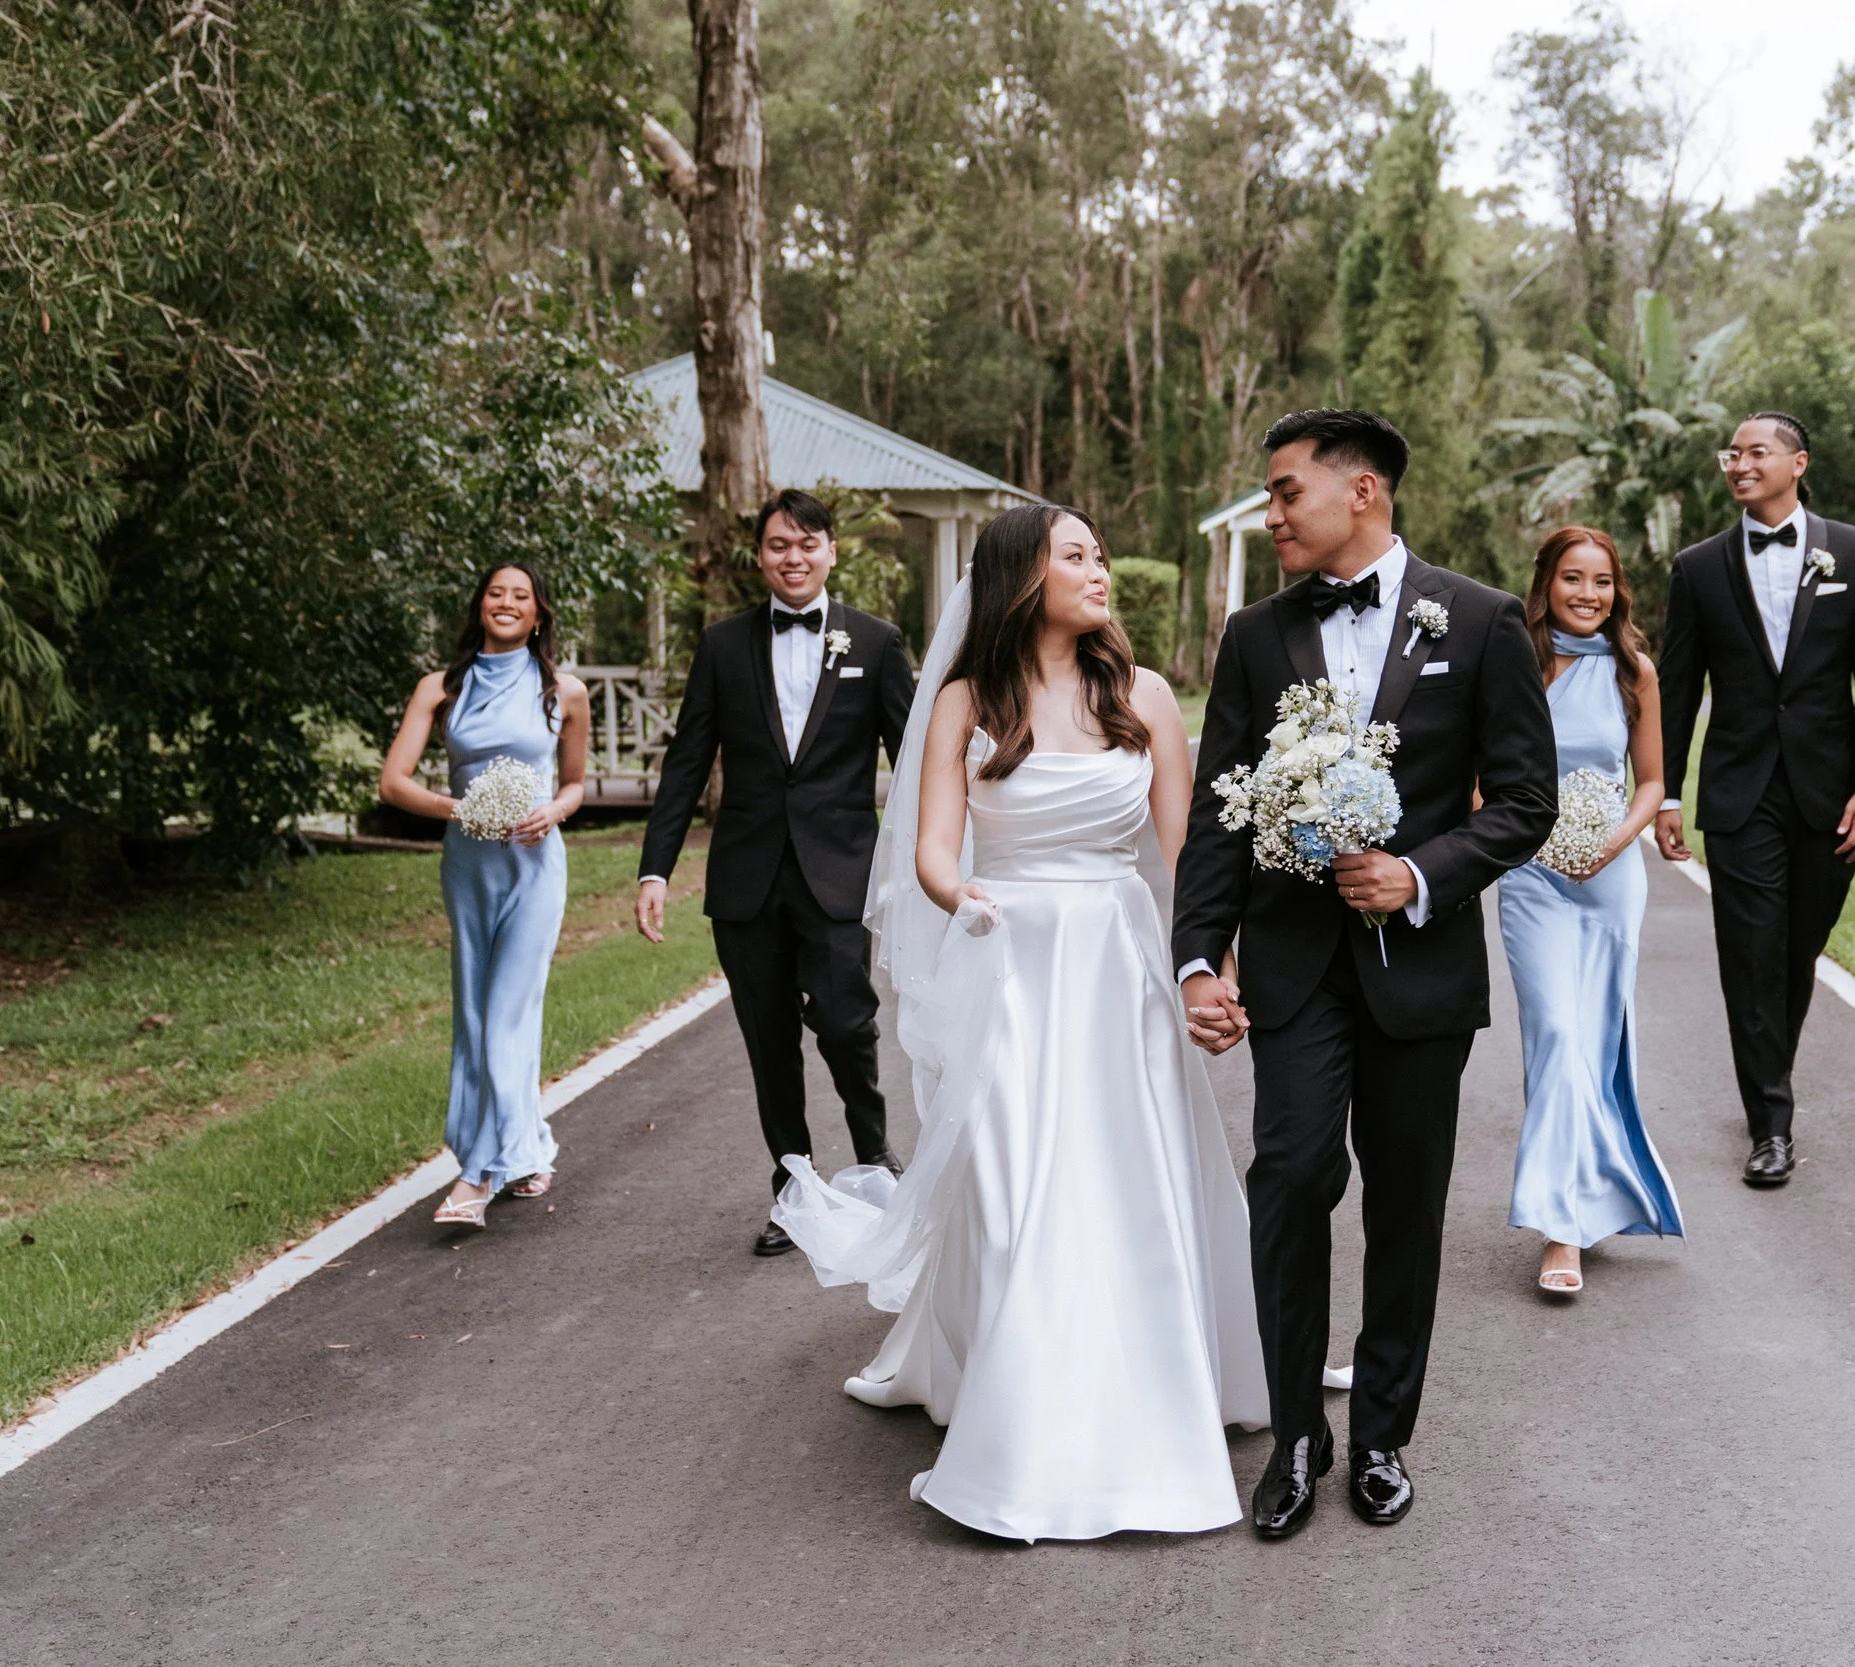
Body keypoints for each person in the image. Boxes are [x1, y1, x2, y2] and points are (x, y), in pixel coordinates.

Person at [771, 503, 1266, 1543]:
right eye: (1075, 554)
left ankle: (1147, 1381)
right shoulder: (964, 699)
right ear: (1020, 577)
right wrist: (965, 901)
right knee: (1014, 1179)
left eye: (1097, 552)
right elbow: (933, 850)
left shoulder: (1145, 696)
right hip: (1010, 959)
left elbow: (1191, 857)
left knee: (1125, 1172)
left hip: (1117, 966)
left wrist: (1210, 968)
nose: (1099, 571)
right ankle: (1020, 1406)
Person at [1174, 408, 1556, 1539]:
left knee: (1406, 1203)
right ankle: (1297, 1430)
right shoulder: (1252, 633)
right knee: (1288, 1175)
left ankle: (1382, 1430)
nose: (1274, 513)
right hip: (1293, 967)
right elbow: (1214, 813)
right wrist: (1201, 955)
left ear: (1363, 493)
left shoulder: (1481, 620)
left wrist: (1421, 872)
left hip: (1419, 971)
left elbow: (1526, 802)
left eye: (1287, 492)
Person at [635, 489, 916, 1255]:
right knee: (768, 1039)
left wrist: (932, 855)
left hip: (838, 874)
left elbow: (915, 759)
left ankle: (874, 1159)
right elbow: (689, 758)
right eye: (778, 545)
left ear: (830, 551)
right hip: (747, 879)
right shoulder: (723, 645)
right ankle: (793, 1187)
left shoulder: (875, 641)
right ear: (759, 556)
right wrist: (654, 869)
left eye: (807, 543)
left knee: (847, 1022)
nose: (793, 557)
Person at [1653, 411, 1855, 1187]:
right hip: (1738, 791)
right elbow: (1676, 685)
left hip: (1830, 791)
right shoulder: (1697, 568)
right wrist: (1665, 790)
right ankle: (1771, 1124)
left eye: (1756, 452)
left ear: (1798, 462)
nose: (1739, 463)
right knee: (1751, 954)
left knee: (1798, 948)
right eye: (1732, 453)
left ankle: (1771, 1075)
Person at [1496, 528, 1683, 1297]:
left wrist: (1612, 843)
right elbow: (1484, 769)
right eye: (1573, 579)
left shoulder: (1636, 671)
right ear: (1547, 584)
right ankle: (1560, 1229)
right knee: (1558, 1034)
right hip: (1530, 874)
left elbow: (1651, 782)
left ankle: (1584, 1197)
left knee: (1596, 1038)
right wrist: (1508, 825)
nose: (1587, 594)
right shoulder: (1517, 664)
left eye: (1601, 581)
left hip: (1609, 876)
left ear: (1618, 590)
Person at [379, 563, 591, 1228]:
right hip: (469, 863)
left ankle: (478, 1173)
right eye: (495, 593)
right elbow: (393, 782)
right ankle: (528, 1147)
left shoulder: (565, 690)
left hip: (534, 865)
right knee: (477, 1012)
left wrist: (552, 812)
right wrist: (459, 807)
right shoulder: (441, 687)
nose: (506, 602)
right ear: (479, 607)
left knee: (508, 1011)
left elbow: (577, 784)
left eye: (520, 596)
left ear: (538, 614)